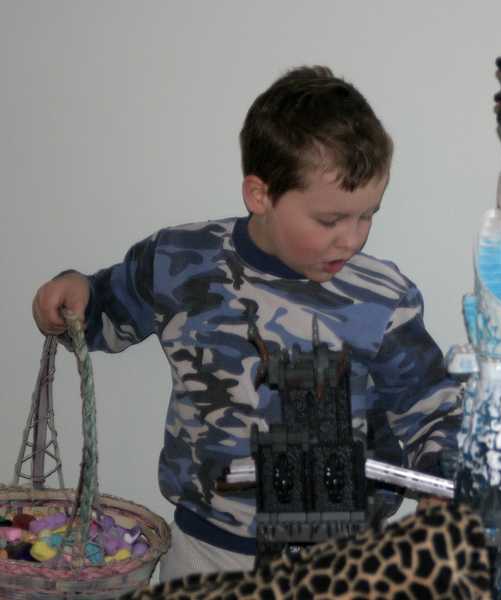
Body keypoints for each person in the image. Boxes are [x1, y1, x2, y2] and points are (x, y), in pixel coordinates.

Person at [31, 66, 461, 580]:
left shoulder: (383, 298)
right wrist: (75, 292)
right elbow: (107, 311)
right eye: (330, 220)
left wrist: (445, 490)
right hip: (207, 551)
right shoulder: (180, 261)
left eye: (367, 215)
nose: (352, 239)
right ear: (260, 195)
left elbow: (435, 410)